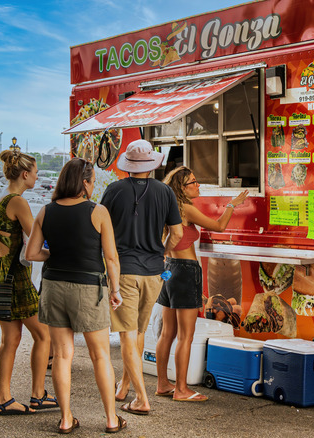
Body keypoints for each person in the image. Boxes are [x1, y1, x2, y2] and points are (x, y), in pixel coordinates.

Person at [26, 158, 126, 434]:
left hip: (54, 287)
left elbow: (31, 254)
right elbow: (111, 257)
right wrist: (115, 291)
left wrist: (55, 254)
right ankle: (111, 419)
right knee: (100, 355)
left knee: (62, 355)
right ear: (84, 183)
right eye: (92, 181)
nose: (93, 186)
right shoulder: (98, 211)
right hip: (88, 288)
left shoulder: (46, 211)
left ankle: (67, 418)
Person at [100, 140, 183, 415]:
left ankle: (141, 398)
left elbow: (99, 228)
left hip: (123, 272)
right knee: (137, 333)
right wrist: (163, 252)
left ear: (128, 165)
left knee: (126, 335)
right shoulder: (165, 192)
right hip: (153, 273)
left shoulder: (113, 190)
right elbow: (178, 233)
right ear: (151, 164)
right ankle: (124, 387)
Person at [155, 167, 248, 401]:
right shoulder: (185, 208)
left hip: (170, 271)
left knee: (167, 333)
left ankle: (163, 384)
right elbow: (218, 227)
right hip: (186, 272)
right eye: (193, 182)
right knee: (186, 335)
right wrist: (232, 205)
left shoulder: (168, 206)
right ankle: (181, 389)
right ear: (181, 188)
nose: (198, 185)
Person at [0, 149, 56, 416]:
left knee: (10, 339)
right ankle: (38, 394)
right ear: (25, 174)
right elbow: (37, 238)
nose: (38, 177)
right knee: (43, 335)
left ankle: (3, 398)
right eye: (36, 172)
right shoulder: (18, 202)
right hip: (16, 277)